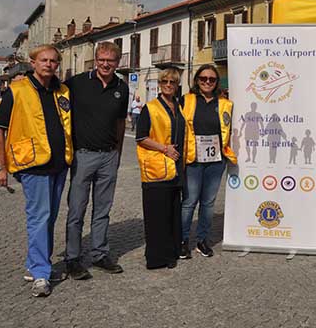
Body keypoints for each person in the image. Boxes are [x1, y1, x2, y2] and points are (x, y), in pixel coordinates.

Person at [0, 44, 72, 297]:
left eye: (53, 61)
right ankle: (40, 274)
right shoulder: (16, 91)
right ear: (33, 63)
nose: (49, 64)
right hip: (32, 165)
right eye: (43, 60)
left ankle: (37, 265)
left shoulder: (63, 91)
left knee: (49, 218)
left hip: (59, 164)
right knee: (39, 217)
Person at [64, 42, 128, 280]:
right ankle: (72, 258)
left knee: (103, 210)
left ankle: (100, 254)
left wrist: (118, 153)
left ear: (117, 62)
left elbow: (121, 122)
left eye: (110, 60)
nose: (105, 64)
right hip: (83, 155)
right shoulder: (77, 83)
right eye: (101, 59)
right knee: (77, 209)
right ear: (96, 59)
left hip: (109, 156)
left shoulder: (122, 87)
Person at [179, 64, 237, 259]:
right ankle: (182, 240)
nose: (207, 82)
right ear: (197, 80)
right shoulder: (186, 100)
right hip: (193, 159)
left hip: (216, 160)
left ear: (216, 83)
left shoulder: (225, 104)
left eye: (211, 79)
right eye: (203, 78)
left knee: (208, 203)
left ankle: (202, 240)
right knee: (189, 201)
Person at [135, 68, 187, 269]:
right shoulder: (151, 107)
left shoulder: (178, 106)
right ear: (159, 84)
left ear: (176, 85)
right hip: (157, 167)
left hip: (175, 168)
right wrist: (165, 149)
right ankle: (157, 258)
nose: (168, 85)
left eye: (172, 82)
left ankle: (172, 252)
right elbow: (141, 137)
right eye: (164, 81)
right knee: (156, 214)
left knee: (172, 211)